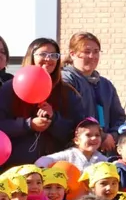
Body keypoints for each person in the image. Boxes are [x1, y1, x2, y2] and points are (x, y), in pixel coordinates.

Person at [0, 38, 85, 170]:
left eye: (53, 55)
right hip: (16, 169)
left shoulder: (67, 92)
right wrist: (29, 124)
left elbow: (78, 131)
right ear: (31, 56)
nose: (48, 59)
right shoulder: (9, 88)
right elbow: (2, 125)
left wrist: (54, 119)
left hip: (55, 170)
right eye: (43, 54)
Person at [61, 32, 126, 152]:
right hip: (75, 151)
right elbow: (72, 116)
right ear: (73, 54)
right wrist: (100, 136)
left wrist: (112, 136)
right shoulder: (66, 80)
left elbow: (119, 117)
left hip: (104, 152)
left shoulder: (106, 85)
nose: (92, 56)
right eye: (87, 52)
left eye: (96, 51)